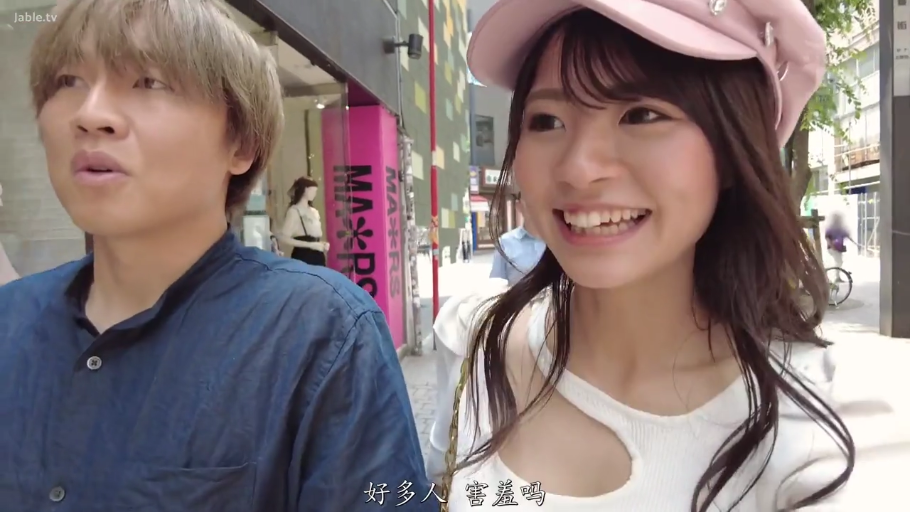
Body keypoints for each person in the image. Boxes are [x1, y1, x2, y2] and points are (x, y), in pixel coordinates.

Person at [428, 1, 910, 510]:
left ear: (733, 149)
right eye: (547, 120)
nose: (579, 168)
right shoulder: (476, 340)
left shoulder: (828, 433)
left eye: (641, 115)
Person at [0, 1, 435, 511]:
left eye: (148, 82)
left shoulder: (321, 332)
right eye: (69, 81)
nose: (90, 115)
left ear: (241, 144)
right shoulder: (12, 318)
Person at [489, 198, 546, 285]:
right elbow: (497, 282)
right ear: (519, 206)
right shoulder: (504, 242)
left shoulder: (559, 241)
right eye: (530, 203)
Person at [280, 176, 329, 266]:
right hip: (303, 256)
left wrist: (321, 244)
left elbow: (315, 235)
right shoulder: (294, 211)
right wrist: (310, 245)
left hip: (318, 255)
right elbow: (284, 237)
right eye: (312, 191)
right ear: (305, 190)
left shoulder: (314, 211)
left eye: (315, 192)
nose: (314, 194)